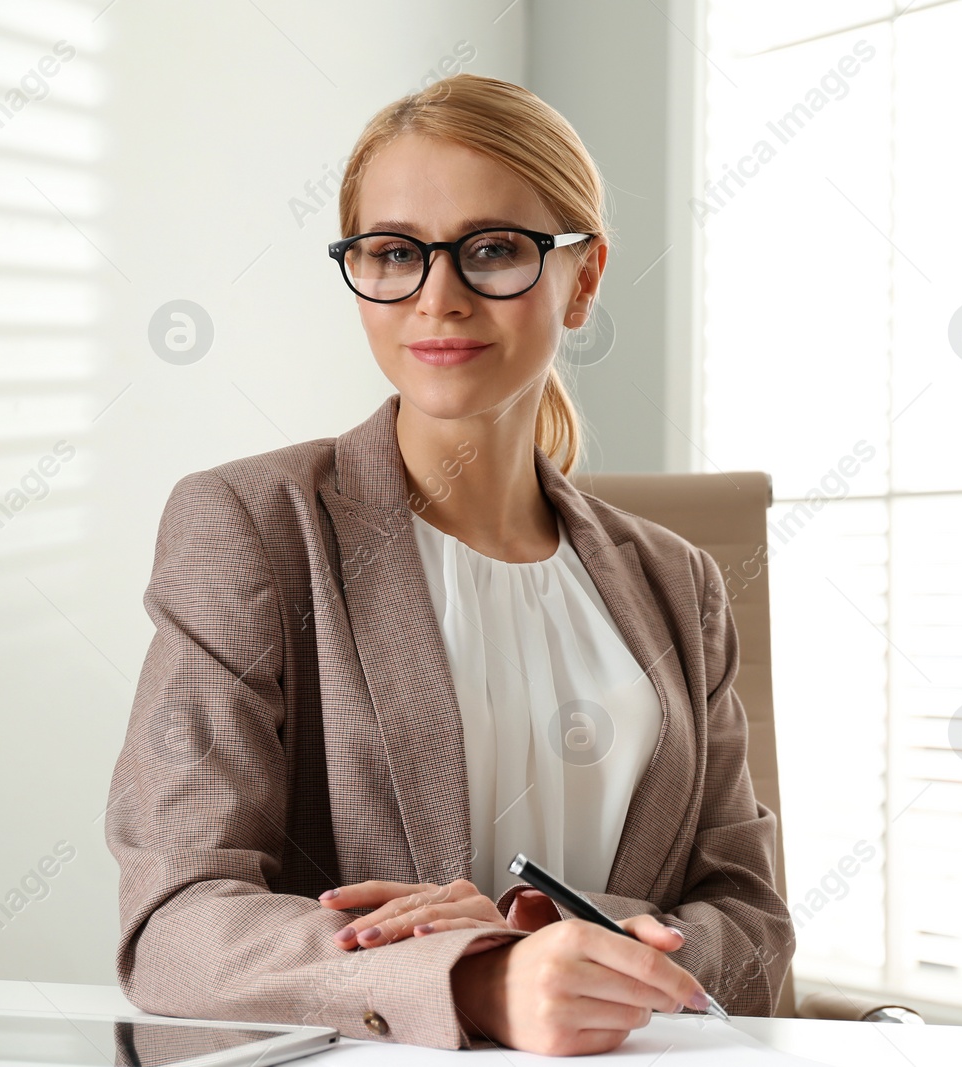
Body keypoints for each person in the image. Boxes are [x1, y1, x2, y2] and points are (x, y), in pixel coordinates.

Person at [104, 73, 793, 1057]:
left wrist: (558, 933)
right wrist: (478, 975)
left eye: (493, 251)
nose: (438, 296)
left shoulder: (677, 582)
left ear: (584, 277)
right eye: (392, 253)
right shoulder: (253, 526)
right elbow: (173, 919)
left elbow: (753, 921)